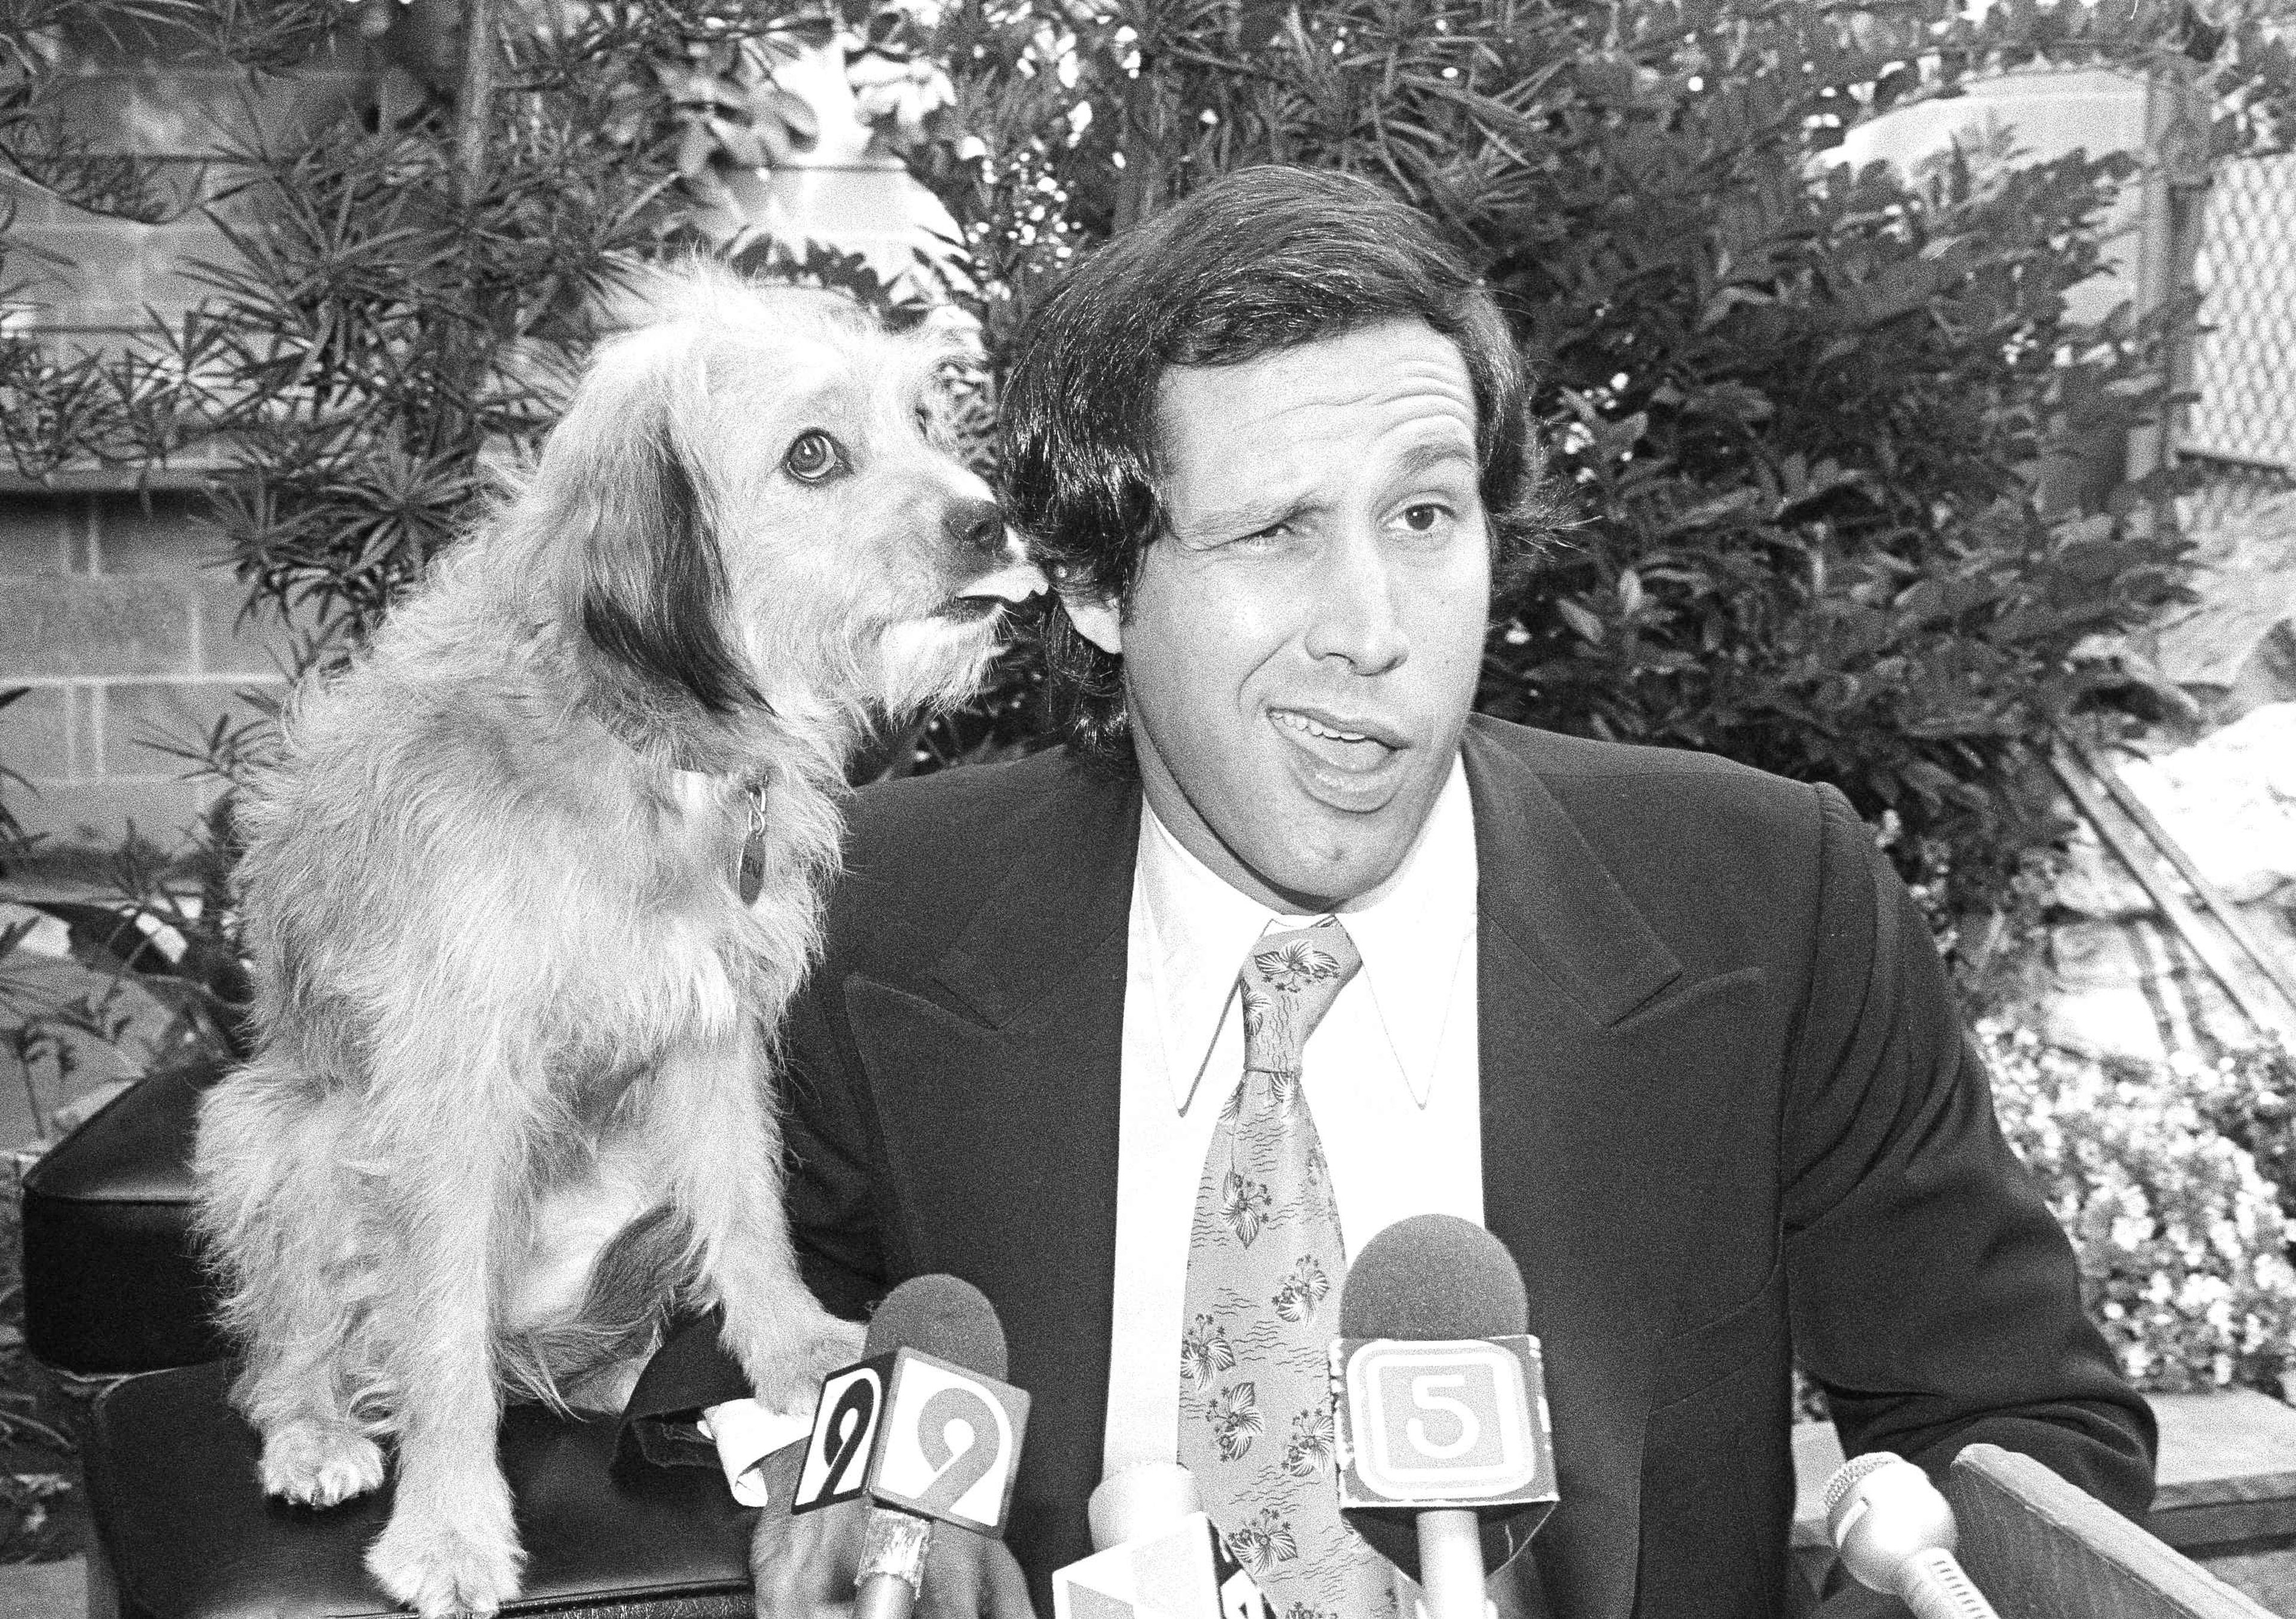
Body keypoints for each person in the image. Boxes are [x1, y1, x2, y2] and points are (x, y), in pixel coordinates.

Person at [625, 165, 2154, 1619]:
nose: (1373, 627)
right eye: (1276, 531)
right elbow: (719, 1388)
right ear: (1097, 586)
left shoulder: (1766, 903)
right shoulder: (865, 916)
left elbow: (2022, 1434)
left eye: (1423, 517)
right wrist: (823, 1507)